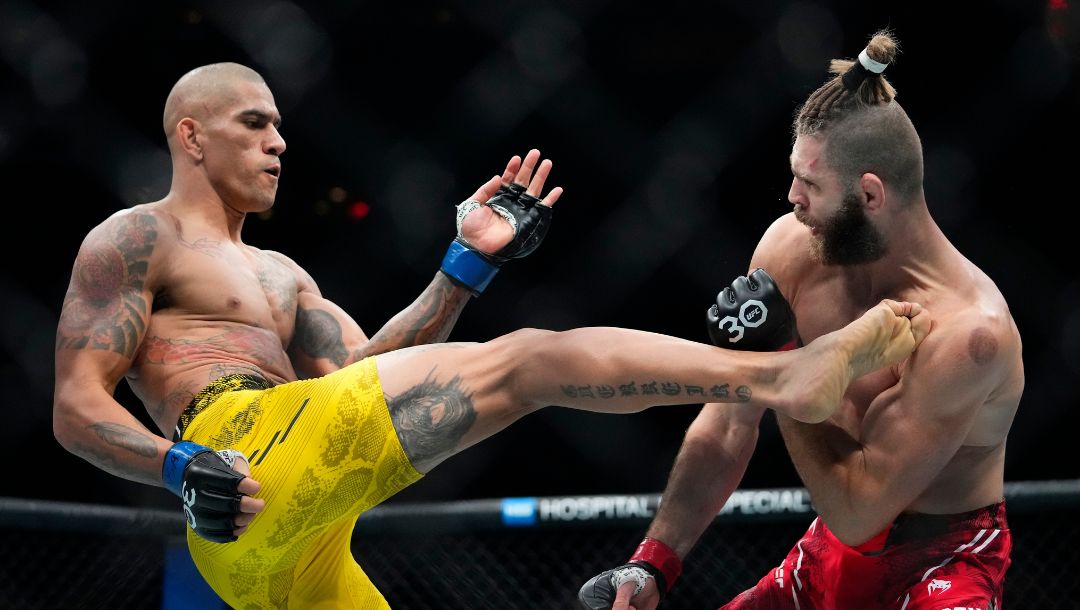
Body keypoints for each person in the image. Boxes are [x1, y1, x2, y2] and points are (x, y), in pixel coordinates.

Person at [52, 62, 928, 610]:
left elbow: (367, 379)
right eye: (256, 122)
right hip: (232, 466)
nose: (281, 140)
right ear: (190, 134)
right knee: (531, 360)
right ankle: (777, 378)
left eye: (282, 122)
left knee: (483, 368)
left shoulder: (286, 278)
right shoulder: (137, 237)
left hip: (296, 534)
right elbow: (74, 406)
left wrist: (462, 267)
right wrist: (174, 466)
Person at [579, 29, 1023, 610]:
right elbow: (727, 424)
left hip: (940, 565)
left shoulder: (969, 332)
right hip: (825, 554)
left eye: (810, 184)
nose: (791, 197)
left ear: (869, 195)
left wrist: (786, 359)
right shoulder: (791, 251)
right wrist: (654, 562)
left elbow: (860, 510)